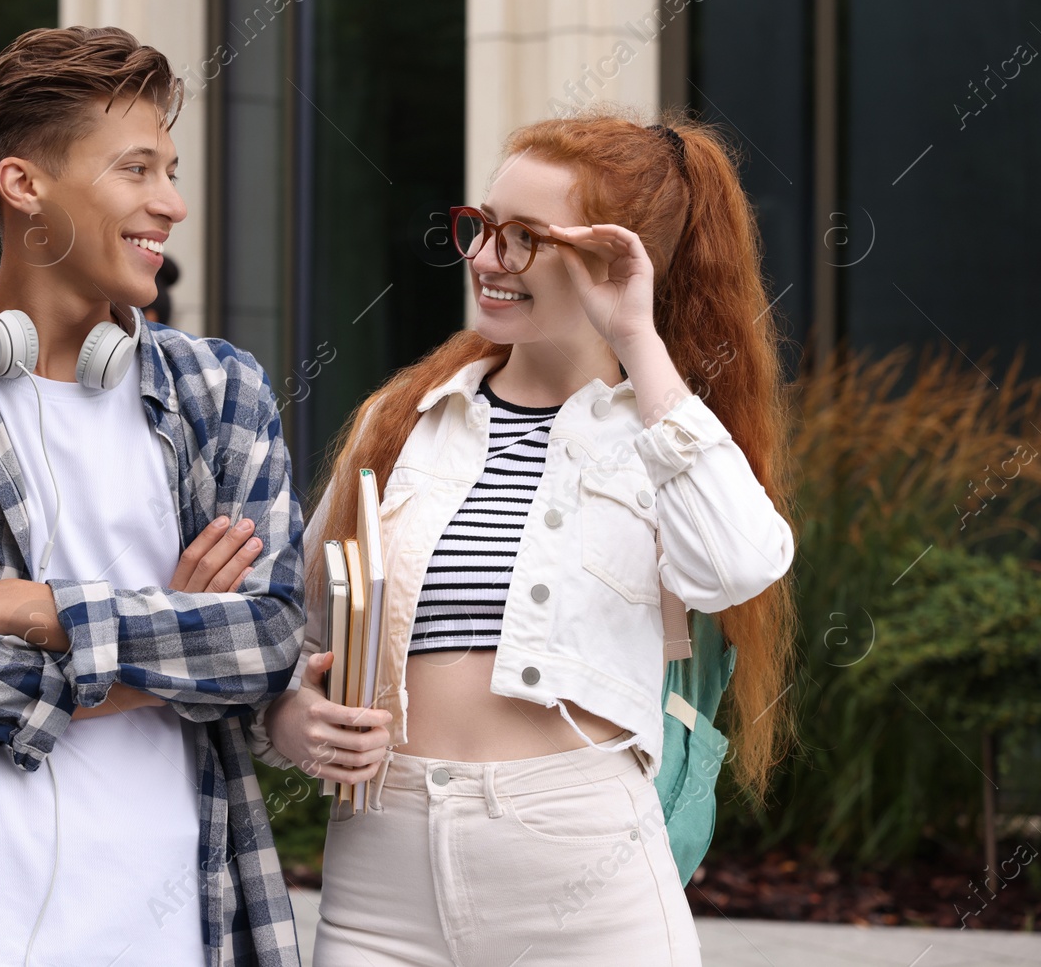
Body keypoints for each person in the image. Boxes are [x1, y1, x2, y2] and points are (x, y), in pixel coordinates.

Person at [0, 26, 305, 967]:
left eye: (173, 169)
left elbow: (268, 635)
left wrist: (30, 608)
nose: (174, 203)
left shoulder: (222, 392)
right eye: (138, 170)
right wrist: (168, 633)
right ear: (25, 185)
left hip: (178, 923)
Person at [251, 111, 797, 966]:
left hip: (585, 874)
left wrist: (639, 342)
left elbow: (737, 565)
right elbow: (296, 633)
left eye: (526, 238)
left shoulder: (665, 434)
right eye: (483, 227)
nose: (485, 257)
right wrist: (292, 719)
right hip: (378, 875)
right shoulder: (400, 424)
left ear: (618, 257)